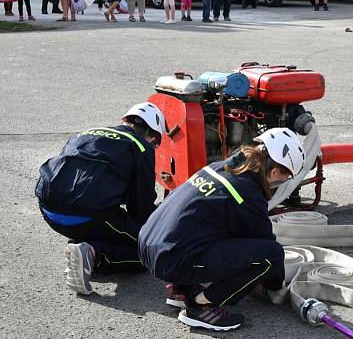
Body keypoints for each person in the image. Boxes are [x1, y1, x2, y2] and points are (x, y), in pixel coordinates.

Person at [139, 129, 304, 331]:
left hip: (148, 244)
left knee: (211, 229)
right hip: (172, 260)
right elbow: (266, 247)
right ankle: (200, 306)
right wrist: (277, 286)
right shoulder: (247, 192)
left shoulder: (219, 167)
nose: (281, 183)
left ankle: (182, 288)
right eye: (285, 177)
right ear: (275, 172)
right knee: (270, 256)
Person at [35, 102, 167, 295]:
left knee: (112, 225)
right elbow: (141, 208)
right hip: (89, 215)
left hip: (49, 210)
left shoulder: (85, 133)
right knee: (151, 251)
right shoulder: (140, 146)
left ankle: (84, 248)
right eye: (156, 143)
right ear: (152, 136)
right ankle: (94, 255)